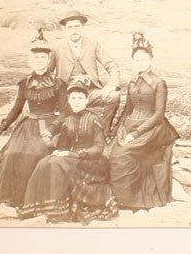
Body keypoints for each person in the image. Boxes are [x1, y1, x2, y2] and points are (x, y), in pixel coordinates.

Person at [0, 30, 65, 210]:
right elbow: (16, 108)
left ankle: (29, 200)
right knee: (10, 156)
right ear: (30, 61)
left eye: (43, 58)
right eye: (36, 58)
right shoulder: (25, 83)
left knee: (36, 155)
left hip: (49, 126)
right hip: (27, 127)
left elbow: (64, 111)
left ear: (49, 61)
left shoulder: (58, 83)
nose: (40, 61)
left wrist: (54, 127)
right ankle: (8, 198)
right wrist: (1, 128)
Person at [19, 76, 118, 224]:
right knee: (45, 162)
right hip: (72, 158)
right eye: (73, 98)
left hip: (93, 161)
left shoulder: (94, 119)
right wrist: (60, 151)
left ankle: (59, 213)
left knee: (57, 164)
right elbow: (63, 145)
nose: (76, 101)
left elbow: (99, 148)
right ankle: (47, 208)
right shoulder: (67, 121)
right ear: (69, 101)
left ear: (86, 100)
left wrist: (73, 154)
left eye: (80, 98)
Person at [108, 32, 179, 213]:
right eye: (137, 59)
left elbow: (158, 114)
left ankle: (129, 200)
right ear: (133, 61)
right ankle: (115, 198)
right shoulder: (132, 82)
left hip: (153, 128)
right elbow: (127, 110)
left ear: (151, 60)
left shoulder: (159, 83)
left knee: (125, 153)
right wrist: (116, 130)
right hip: (131, 124)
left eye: (144, 59)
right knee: (111, 152)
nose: (140, 62)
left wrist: (135, 134)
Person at [51, 10, 121, 131]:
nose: (74, 30)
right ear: (65, 30)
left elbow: (112, 65)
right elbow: (47, 73)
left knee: (114, 96)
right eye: (70, 27)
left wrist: (111, 85)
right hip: (66, 94)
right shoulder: (57, 48)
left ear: (82, 27)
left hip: (90, 91)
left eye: (77, 26)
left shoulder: (93, 44)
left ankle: (102, 130)